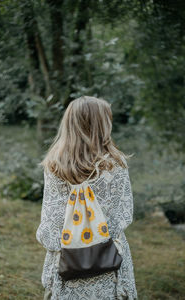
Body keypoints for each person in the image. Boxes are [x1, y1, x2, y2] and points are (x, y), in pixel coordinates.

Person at [36, 96, 138, 300]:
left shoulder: (55, 166)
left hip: (67, 259)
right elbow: (122, 214)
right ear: (102, 125)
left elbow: (52, 219)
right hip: (108, 259)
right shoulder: (115, 165)